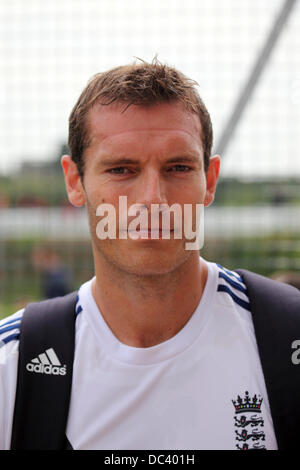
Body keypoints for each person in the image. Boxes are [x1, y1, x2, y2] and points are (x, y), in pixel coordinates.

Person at [0, 59, 299, 451]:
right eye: (122, 169)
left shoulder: (286, 336)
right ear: (75, 181)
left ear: (208, 181)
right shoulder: (13, 369)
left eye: (177, 167)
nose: (152, 200)